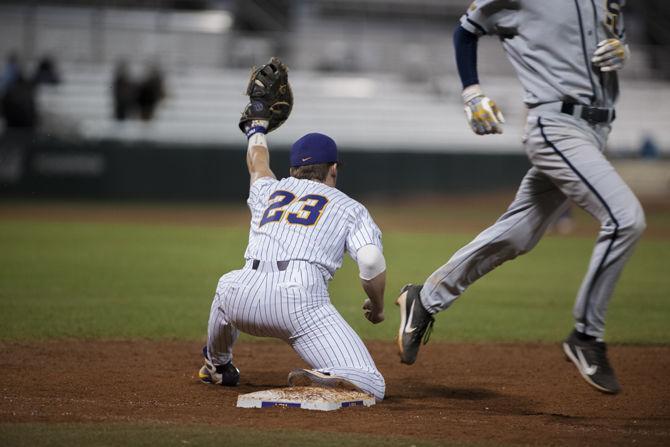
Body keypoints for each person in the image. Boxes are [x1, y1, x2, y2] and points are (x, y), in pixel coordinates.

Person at [396, 0, 645, 395]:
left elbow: (613, 35)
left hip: (597, 130)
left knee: (518, 233)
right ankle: (586, 335)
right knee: (625, 218)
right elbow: (467, 29)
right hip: (556, 125)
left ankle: (424, 299)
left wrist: (621, 46)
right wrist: (472, 94)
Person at [197, 125, 387, 398]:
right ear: (333, 169)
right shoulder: (349, 208)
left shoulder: (269, 190)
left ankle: (217, 365)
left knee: (226, 285)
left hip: (242, 297)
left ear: (293, 170)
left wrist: (256, 130)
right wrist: (377, 307)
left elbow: (258, 162)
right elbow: (370, 260)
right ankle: (328, 374)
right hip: (298, 301)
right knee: (372, 384)